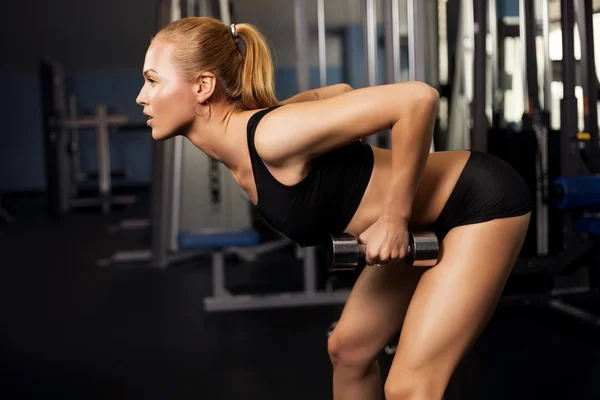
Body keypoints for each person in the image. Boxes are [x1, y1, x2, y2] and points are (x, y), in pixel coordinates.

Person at [136, 16, 532, 400]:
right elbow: (340, 91)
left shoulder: (271, 137)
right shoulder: (261, 134)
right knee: (348, 351)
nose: (142, 96)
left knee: (409, 388)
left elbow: (418, 99)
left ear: (203, 86)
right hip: (431, 219)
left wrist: (394, 220)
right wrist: (290, 112)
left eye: (153, 81)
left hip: (478, 203)